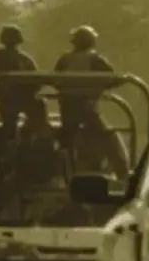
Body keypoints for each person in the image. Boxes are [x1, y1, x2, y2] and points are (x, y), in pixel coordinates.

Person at [53, 25, 129, 179]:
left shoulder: (65, 59)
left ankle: (61, 172)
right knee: (107, 137)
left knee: (65, 139)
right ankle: (122, 173)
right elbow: (112, 78)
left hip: (67, 107)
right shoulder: (94, 59)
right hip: (86, 107)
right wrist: (108, 84)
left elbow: (55, 80)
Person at [0, 25, 39, 141]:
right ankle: (17, 141)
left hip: (15, 98)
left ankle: (22, 140)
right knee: (10, 126)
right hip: (11, 98)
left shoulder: (21, 58)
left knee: (12, 126)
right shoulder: (22, 58)